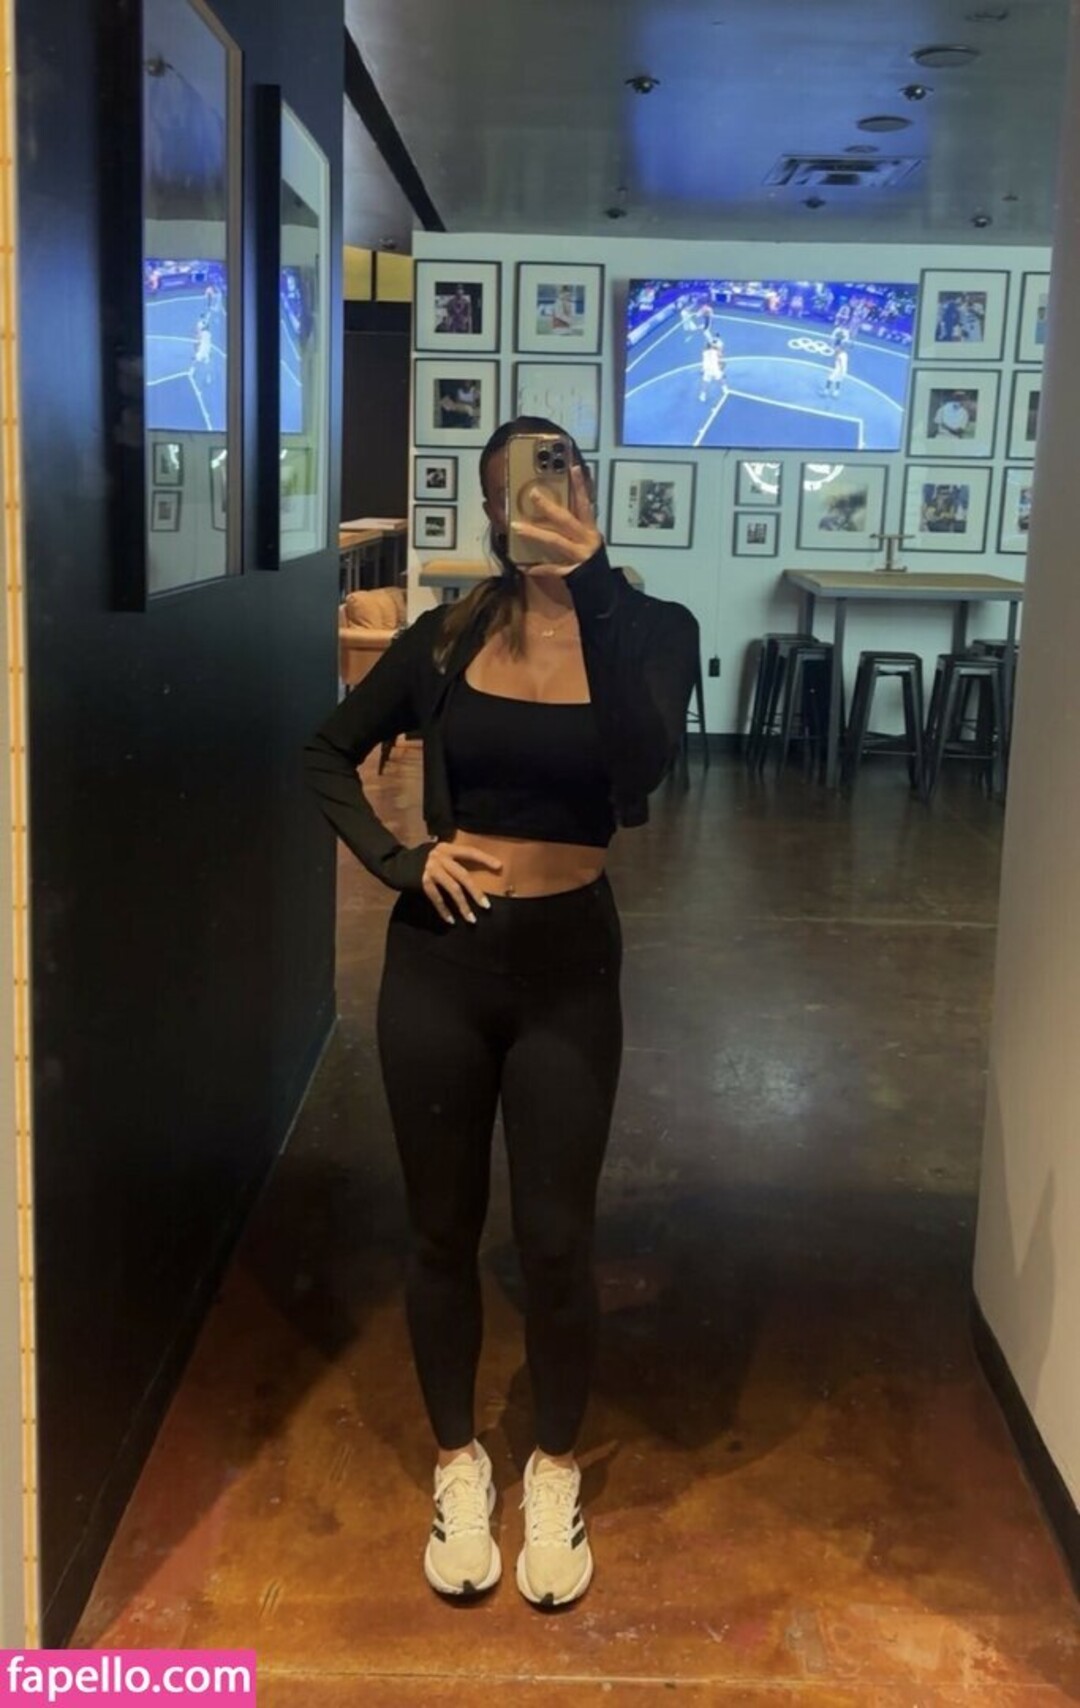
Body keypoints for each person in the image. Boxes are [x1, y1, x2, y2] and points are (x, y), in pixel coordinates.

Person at [304, 416, 698, 1610]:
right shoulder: (444, 637)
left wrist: (592, 587)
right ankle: (457, 1461)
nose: (545, 496)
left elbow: (640, 772)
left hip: (570, 964)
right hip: (443, 963)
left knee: (558, 1240)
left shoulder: (654, 631)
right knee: (439, 1231)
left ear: (590, 489)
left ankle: (555, 1465)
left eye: (563, 473)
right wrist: (399, 858)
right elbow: (327, 751)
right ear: (492, 510)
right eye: (521, 485)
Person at [699, 331, 727, 404]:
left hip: (707, 369)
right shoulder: (716, 350)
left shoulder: (704, 352)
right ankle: (724, 389)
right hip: (714, 368)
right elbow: (720, 355)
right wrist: (721, 364)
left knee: (705, 382)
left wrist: (702, 369)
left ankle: (703, 395)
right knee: (721, 377)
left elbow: (707, 347)